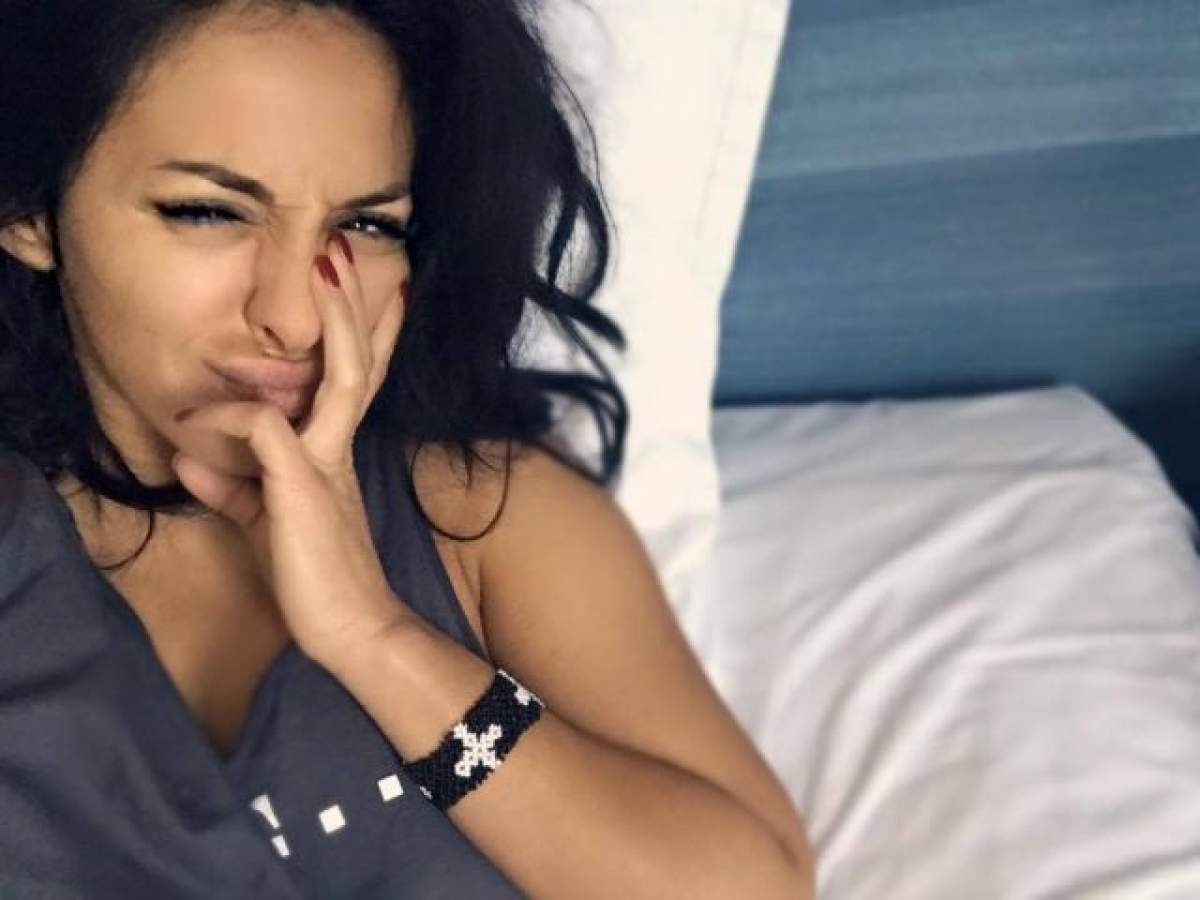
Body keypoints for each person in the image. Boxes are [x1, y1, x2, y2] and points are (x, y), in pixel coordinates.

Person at [0, 0, 815, 896]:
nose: (294, 317)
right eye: (208, 211)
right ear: (31, 210)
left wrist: (376, 637)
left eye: (366, 227)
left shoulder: (480, 516)